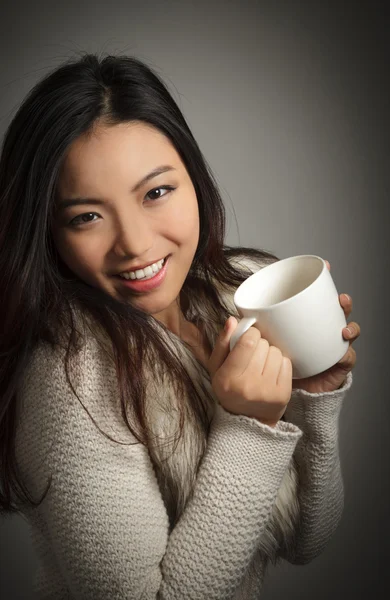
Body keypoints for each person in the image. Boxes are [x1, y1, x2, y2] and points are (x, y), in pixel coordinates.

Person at [0, 52, 360, 599]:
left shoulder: (234, 295)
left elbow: (307, 539)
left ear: (193, 178)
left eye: (156, 192)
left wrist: (314, 401)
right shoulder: (70, 378)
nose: (136, 244)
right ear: (48, 231)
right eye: (86, 216)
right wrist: (249, 429)